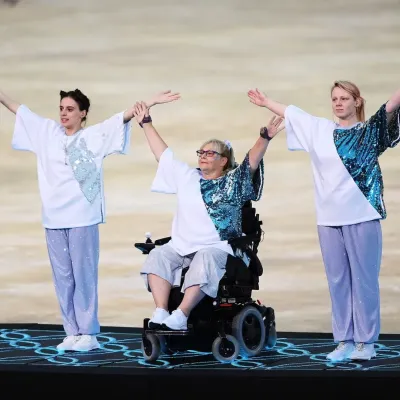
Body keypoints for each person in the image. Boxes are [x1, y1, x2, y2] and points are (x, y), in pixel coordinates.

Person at [0, 88, 180, 351]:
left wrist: (150, 101)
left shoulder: (93, 136)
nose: (64, 113)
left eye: (70, 109)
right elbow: (19, 109)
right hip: (53, 219)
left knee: (83, 276)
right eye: (61, 108)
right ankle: (71, 332)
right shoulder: (47, 133)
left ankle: (89, 334)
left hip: (82, 218)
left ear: (83, 113)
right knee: (62, 277)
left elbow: (123, 117)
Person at [248, 81, 400, 361]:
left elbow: (391, 105)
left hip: (363, 216)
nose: (339, 103)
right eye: (334, 98)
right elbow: (292, 113)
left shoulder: (369, 132)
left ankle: (366, 342)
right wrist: (267, 102)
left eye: (344, 98)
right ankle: (344, 341)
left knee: (364, 281)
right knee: (338, 281)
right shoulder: (319, 129)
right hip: (328, 220)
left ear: (357, 101)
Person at [132, 100, 284, 331]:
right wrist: (146, 123)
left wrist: (265, 137)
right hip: (182, 246)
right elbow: (162, 154)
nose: (203, 155)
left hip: (216, 248)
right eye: (201, 152)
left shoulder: (233, 182)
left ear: (223, 160)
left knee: (205, 258)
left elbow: (251, 162)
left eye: (210, 152)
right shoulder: (187, 176)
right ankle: (162, 310)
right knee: (158, 256)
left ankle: (182, 315)